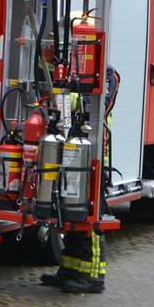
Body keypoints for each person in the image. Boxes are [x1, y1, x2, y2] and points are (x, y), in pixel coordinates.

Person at [39, 67, 117, 294]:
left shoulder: (107, 75)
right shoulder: (73, 75)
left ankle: (93, 277)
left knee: (90, 218)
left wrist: (59, 92)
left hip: (92, 158)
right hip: (72, 155)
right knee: (71, 215)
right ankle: (70, 269)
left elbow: (95, 103)